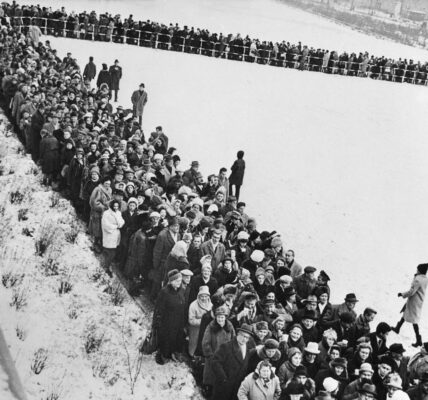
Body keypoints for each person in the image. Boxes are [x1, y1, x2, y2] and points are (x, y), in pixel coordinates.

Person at [211, 323, 255, 400]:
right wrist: (223, 378)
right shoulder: (226, 346)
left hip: (237, 385)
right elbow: (215, 362)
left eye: (247, 337)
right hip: (224, 385)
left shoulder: (247, 348)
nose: (244, 339)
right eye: (242, 336)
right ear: (238, 334)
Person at [154, 269, 186, 364]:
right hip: (167, 321)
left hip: (179, 319)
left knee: (177, 338)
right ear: (171, 281)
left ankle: (172, 353)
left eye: (180, 281)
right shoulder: (165, 292)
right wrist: (158, 322)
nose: (179, 283)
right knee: (166, 339)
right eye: (176, 281)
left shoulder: (181, 290)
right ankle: (164, 355)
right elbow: (159, 309)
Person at [394, 264, 428, 347]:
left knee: (414, 321)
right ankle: (397, 328)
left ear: (420, 270)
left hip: (413, 301)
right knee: (406, 312)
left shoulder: (418, 279)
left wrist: (402, 294)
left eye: (417, 269)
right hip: (419, 301)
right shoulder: (425, 278)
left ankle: (418, 340)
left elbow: (411, 291)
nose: (416, 270)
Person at [101, 199, 125, 276]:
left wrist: (118, 225)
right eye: (114, 206)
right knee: (109, 252)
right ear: (111, 206)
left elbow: (122, 223)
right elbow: (105, 225)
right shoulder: (106, 213)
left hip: (116, 235)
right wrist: (115, 226)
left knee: (113, 251)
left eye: (117, 206)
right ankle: (106, 267)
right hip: (109, 234)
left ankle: (107, 265)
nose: (115, 208)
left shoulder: (118, 213)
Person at [188, 286, 212, 357]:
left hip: (207, 330)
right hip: (196, 329)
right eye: (202, 296)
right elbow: (191, 320)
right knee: (194, 344)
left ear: (208, 296)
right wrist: (203, 322)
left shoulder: (211, 305)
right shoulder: (193, 305)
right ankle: (191, 355)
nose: (204, 298)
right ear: (199, 296)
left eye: (206, 296)